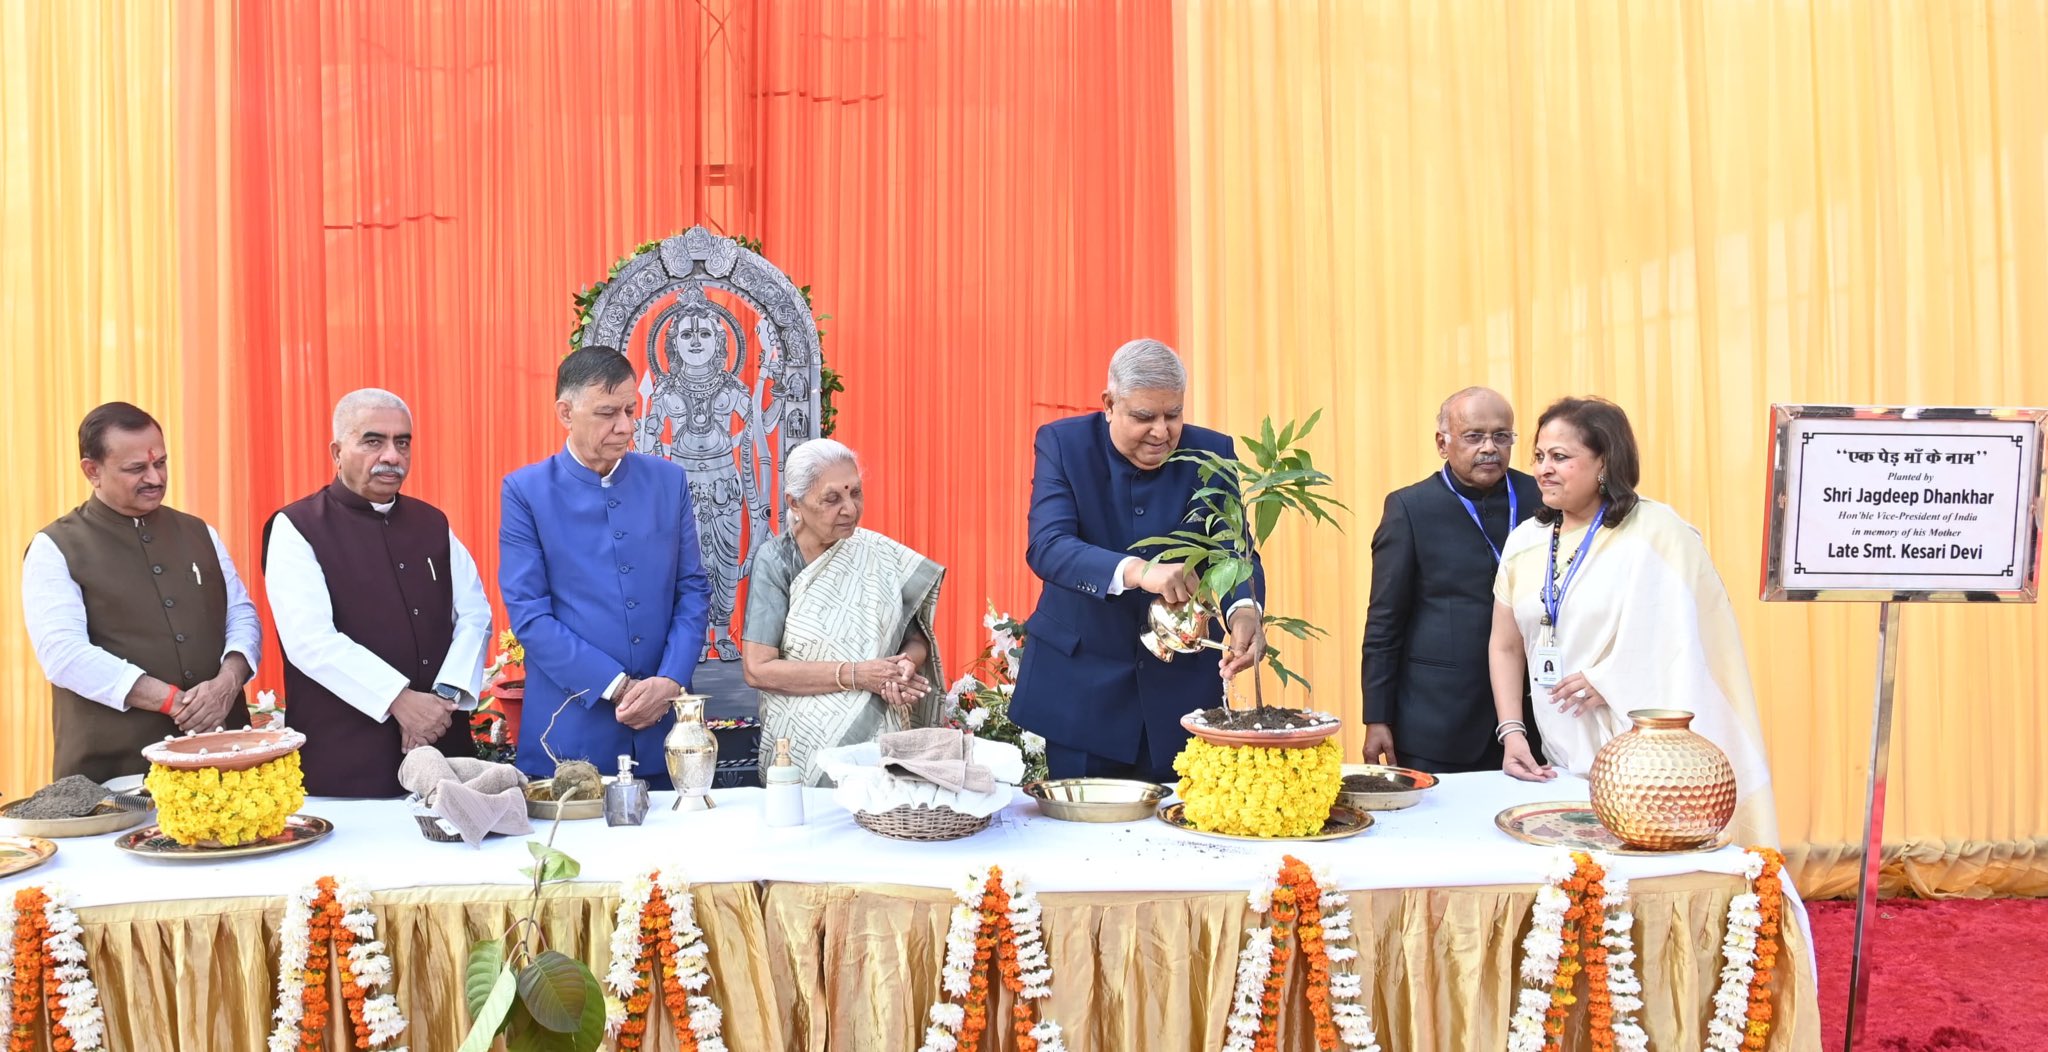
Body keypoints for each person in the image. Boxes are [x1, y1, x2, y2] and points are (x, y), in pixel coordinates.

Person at [1488, 396, 1779, 845]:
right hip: (1559, 748)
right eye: (1540, 456)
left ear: (1604, 463)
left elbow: (1690, 637)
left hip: (1646, 759)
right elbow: (1505, 644)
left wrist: (1610, 676)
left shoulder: (1658, 532)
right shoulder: (1525, 542)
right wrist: (1513, 733)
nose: (1543, 469)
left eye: (1561, 458)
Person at [1009, 338, 1266, 783]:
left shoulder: (1213, 451)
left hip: (1182, 695)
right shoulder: (1064, 445)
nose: (1162, 432)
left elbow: (1233, 549)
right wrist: (1138, 572)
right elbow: (1048, 544)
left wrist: (1244, 610)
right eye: (1144, 417)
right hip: (1081, 691)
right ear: (1109, 404)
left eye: (1174, 415)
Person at [500, 346, 713, 786]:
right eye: (608, 413)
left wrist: (669, 682)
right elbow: (530, 615)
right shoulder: (526, 491)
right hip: (570, 734)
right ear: (565, 412)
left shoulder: (667, 481)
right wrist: (617, 686)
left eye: (631, 410)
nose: (626, 426)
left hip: (667, 731)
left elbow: (691, 590)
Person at [263, 390, 492, 796]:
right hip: (347, 762)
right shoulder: (297, 526)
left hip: (444, 749)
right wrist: (399, 700)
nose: (392, 455)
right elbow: (310, 641)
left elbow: (474, 614)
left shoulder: (432, 523)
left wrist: (439, 701)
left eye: (402, 442)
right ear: (337, 450)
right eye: (373, 441)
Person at [21, 402, 262, 782]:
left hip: (222, 757)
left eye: (161, 463)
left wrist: (227, 683)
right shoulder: (55, 546)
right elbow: (62, 654)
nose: (154, 478)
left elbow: (242, 615)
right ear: (92, 471)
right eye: (136, 468)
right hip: (116, 773)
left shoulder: (200, 532)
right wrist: (174, 702)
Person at [740, 439, 943, 784]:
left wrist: (904, 666)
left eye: (856, 494)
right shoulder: (776, 562)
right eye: (832, 498)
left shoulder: (877, 554)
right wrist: (857, 675)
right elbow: (758, 669)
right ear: (795, 503)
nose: (850, 508)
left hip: (881, 738)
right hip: (802, 743)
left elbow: (914, 638)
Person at [1361, 387, 1542, 773]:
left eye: (1501, 435)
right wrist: (1377, 717)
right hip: (1437, 721)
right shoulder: (1410, 508)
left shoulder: (1540, 497)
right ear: (1443, 443)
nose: (1489, 448)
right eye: (1474, 436)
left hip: (1535, 716)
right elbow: (1384, 620)